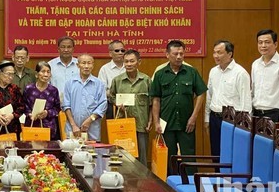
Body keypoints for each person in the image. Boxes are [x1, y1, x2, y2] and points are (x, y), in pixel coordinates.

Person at [151, 40, 207, 175]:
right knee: (169, 158)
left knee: (189, 156)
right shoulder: (160, 74)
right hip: (167, 123)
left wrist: (193, 118)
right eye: (175, 54)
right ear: (167, 55)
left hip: (186, 123)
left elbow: (201, 93)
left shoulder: (191, 72)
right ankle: (170, 186)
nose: (179, 57)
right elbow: (156, 99)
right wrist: (156, 121)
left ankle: (192, 186)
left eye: (181, 53)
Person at [204, 40, 251, 158]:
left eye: (219, 53)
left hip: (232, 120)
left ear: (229, 54)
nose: (215, 56)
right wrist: (206, 118)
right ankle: (216, 176)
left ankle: (229, 177)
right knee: (216, 152)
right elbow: (209, 96)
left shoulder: (240, 73)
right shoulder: (213, 71)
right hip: (214, 117)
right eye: (214, 52)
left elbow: (246, 101)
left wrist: (243, 125)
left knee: (230, 153)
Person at [107, 50, 152, 166]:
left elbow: (152, 103)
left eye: (132, 61)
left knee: (142, 158)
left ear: (139, 62)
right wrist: (117, 103)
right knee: (123, 157)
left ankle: (142, 182)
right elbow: (111, 96)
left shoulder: (146, 80)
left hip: (142, 125)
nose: (129, 64)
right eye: (126, 61)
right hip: (123, 126)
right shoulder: (117, 80)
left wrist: (150, 121)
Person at [251, 29, 279, 129]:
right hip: (257, 114)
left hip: (275, 115)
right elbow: (253, 90)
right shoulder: (255, 64)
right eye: (260, 42)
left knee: (274, 145)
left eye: (267, 42)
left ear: (275, 44)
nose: (263, 46)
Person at [62, 54, 107, 141]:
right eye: (83, 63)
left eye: (89, 63)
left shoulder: (99, 84)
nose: (86, 66)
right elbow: (66, 106)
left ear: (93, 65)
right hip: (73, 129)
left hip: (92, 129)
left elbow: (103, 105)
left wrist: (89, 120)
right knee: (71, 153)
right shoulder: (70, 83)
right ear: (78, 65)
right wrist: (73, 125)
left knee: (93, 153)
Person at [23, 61, 62, 141]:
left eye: (48, 72)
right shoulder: (29, 89)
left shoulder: (53, 90)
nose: (46, 74)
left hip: (49, 127)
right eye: (43, 71)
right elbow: (24, 105)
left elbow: (57, 108)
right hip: (32, 125)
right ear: (36, 74)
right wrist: (29, 114)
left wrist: (47, 113)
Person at [98, 40, 127, 119]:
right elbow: (101, 91)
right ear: (110, 53)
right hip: (111, 105)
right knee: (114, 131)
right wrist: (116, 99)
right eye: (117, 51)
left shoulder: (130, 67)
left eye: (122, 50)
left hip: (129, 104)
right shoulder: (104, 69)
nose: (120, 53)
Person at [49, 36, 78, 101]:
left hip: (76, 103)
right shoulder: (50, 65)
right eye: (63, 47)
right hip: (55, 105)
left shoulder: (79, 65)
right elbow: (46, 87)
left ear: (73, 49)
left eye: (69, 47)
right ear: (58, 49)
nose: (66, 50)